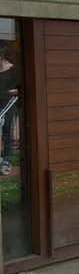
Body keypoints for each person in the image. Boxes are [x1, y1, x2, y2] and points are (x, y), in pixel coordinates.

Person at [0, 45, 19, 176]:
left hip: (9, 103)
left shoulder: (14, 70)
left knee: (6, 130)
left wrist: (15, 91)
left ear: (1, 57)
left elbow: (21, 88)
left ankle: (6, 159)